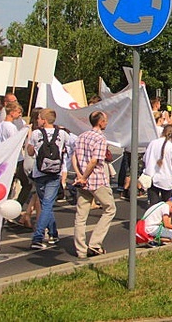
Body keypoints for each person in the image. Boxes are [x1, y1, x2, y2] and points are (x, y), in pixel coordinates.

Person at [73, 111, 116, 259]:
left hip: (82, 182)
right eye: (105, 120)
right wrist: (84, 176)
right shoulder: (100, 139)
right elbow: (94, 161)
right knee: (110, 209)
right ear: (101, 122)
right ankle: (95, 244)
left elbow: (74, 157)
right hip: (96, 179)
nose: (106, 122)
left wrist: (79, 175)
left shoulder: (82, 136)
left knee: (81, 215)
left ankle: (80, 249)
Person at [26, 108, 69, 250]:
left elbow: (30, 152)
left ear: (43, 120)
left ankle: (38, 237)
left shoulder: (36, 133)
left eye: (39, 118)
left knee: (46, 205)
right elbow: (69, 148)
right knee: (47, 205)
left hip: (39, 173)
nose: (37, 120)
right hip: (55, 173)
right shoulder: (62, 134)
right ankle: (53, 233)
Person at [142, 125, 172, 206]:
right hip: (166, 179)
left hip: (152, 178)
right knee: (166, 206)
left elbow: (145, 159)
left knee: (153, 205)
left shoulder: (152, 143)